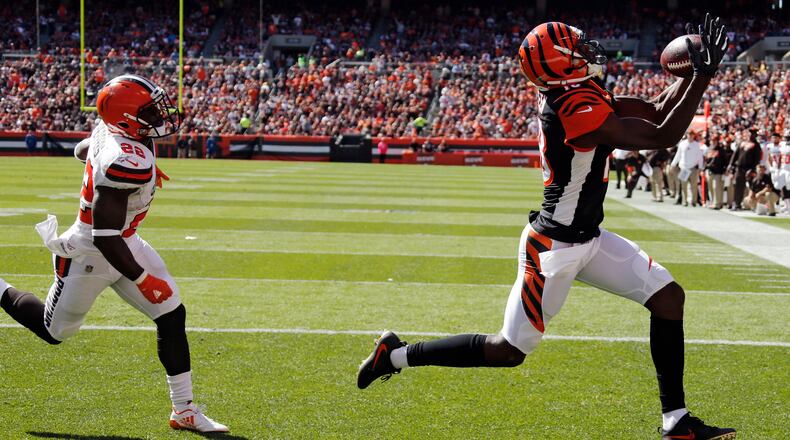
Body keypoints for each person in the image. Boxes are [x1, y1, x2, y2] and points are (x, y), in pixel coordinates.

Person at [357, 17, 736, 439]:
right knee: (508, 351)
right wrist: (700, 76)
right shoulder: (571, 107)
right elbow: (664, 133)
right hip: (553, 246)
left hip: (588, 238)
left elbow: (654, 110)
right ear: (562, 64)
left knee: (668, 298)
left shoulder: (579, 91)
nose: (587, 49)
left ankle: (676, 422)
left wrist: (696, 72)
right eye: (576, 47)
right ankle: (394, 356)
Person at [0, 75, 228, 433]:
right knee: (54, 331)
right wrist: (143, 278)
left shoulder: (115, 133)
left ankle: (184, 410)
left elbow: (83, 149)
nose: (159, 116)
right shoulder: (125, 158)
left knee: (171, 315)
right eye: (150, 111)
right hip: (92, 251)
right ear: (125, 118)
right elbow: (105, 236)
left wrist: (97, 156)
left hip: (126, 240)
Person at [728, 129, 761, 210]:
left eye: (752, 134)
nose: (750, 135)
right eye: (749, 134)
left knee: (752, 187)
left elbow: (757, 159)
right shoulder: (742, 143)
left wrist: (752, 169)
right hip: (739, 168)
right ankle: (737, 204)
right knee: (738, 186)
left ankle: (752, 205)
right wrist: (730, 164)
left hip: (749, 169)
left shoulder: (756, 145)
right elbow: (735, 155)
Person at [671, 131, 705, 206]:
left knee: (694, 185)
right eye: (689, 134)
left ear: (693, 136)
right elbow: (678, 155)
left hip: (692, 167)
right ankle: (684, 201)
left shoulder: (696, 145)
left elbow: (700, 157)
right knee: (683, 185)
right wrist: (673, 164)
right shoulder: (682, 144)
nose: (690, 136)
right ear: (687, 135)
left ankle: (694, 201)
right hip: (683, 167)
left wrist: (700, 167)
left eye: (692, 135)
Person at [705, 136, 728, 209]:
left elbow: (725, 161)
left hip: (718, 172)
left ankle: (717, 203)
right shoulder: (709, 149)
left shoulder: (721, 150)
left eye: (715, 140)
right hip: (710, 171)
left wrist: (724, 170)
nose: (713, 142)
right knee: (710, 187)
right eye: (712, 140)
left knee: (716, 188)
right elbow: (706, 160)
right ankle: (713, 202)